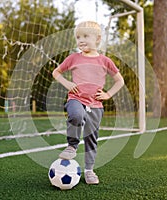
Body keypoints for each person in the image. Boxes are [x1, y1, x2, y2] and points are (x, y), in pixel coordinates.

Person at [52, 21, 124, 185]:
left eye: (85, 36)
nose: (81, 40)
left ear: (98, 39)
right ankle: (72, 146)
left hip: (96, 105)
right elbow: (56, 72)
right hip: (76, 99)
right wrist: (68, 84)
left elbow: (120, 81)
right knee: (76, 115)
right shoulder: (73, 58)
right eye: (78, 37)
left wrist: (108, 94)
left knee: (92, 137)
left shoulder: (105, 61)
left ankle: (89, 170)